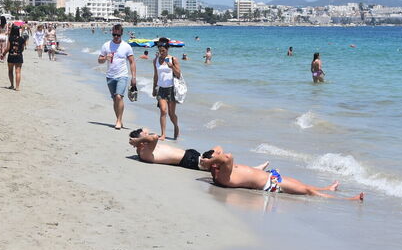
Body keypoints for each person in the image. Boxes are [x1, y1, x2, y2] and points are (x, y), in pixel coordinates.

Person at [208, 150, 364, 200]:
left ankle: (328, 189)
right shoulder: (222, 176)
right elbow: (228, 156)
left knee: (305, 186)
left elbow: (246, 172)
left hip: (271, 176)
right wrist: (208, 161)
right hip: (272, 185)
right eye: (216, 156)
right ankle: (349, 200)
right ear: (215, 164)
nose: (220, 154)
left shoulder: (225, 172)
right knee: (309, 192)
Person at [128, 129, 272, 172]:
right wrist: (137, 141)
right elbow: (154, 137)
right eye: (144, 135)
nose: (148, 135)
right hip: (190, 161)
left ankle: (245, 169)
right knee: (223, 161)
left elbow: (152, 137)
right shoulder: (144, 153)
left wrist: (139, 140)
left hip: (192, 155)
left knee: (218, 148)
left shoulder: (146, 148)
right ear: (140, 142)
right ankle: (253, 170)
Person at [98, 24, 137, 130]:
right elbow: (99, 60)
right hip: (110, 76)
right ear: (112, 33)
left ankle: (118, 120)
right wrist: (106, 57)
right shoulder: (106, 45)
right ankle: (119, 119)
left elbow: (132, 62)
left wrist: (133, 77)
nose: (115, 37)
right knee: (115, 100)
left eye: (118, 35)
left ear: (121, 34)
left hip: (122, 75)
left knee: (119, 96)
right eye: (114, 34)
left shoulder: (126, 46)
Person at [152, 38, 182, 140]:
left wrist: (172, 67)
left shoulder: (173, 59)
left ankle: (176, 126)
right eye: (160, 50)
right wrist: (153, 88)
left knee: (171, 114)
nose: (161, 52)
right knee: (163, 111)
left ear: (167, 49)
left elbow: (178, 74)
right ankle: (163, 134)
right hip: (161, 89)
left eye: (163, 50)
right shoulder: (155, 60)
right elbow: (155, 75)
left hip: (171, 89)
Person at [2, 21, 27, 91]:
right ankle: (17, 87)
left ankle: (12, 85)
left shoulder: (10, 38)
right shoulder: (22, 39)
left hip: (11, 56)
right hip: (19, 56)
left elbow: (7, 48)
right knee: (18, 72)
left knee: (10, 71)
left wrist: (3, 54)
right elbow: (22, 49)